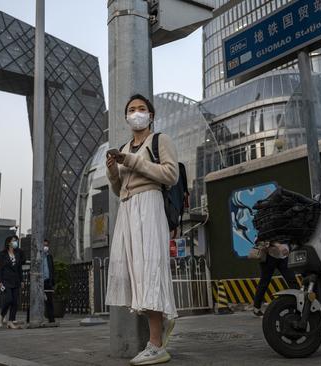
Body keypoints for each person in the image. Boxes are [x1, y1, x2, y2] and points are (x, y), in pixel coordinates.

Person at [105, 94, 178, 365]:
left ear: (151, 115)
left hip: (149, 205)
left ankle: (156, 344)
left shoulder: (160, 141)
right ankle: (159, 331)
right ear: (126, 117)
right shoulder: (125, 146)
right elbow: (118, 189)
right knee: (136, 275)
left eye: (142, 109)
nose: (137, 113)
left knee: (150, 270)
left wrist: (131, 161)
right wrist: (113, 171)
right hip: (128, 209)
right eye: (132, 110)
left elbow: (170, 175)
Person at [251, 242, 298, 317]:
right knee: (264, 282)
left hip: (284, 257)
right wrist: (278, 245)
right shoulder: (267, 231)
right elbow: (264, 237)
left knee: (292, 281)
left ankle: (298, 305)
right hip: (269, 256)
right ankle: (256, 308)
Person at [0, 235, 25, 329]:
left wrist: (21, 280)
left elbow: (19, 268)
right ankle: (1, 316)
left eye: (16, 240)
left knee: (15, 302)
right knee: (8, 299)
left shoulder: (18, 253)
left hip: (16, 280)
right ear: (8, 242)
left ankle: (10, 321)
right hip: (6, 280)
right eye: (13, 240)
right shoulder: (2, 253)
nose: (15, 242)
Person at [42, 239, 56, 323]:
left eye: (46, 245)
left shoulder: (49, 256)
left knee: (49, 300)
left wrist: (53, 281)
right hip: (39, 281)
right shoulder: (38, 256)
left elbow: (52, 269)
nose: (45, 247)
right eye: (44, 245)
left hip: (48, 281)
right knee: (39, 300)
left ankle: (51, 318)